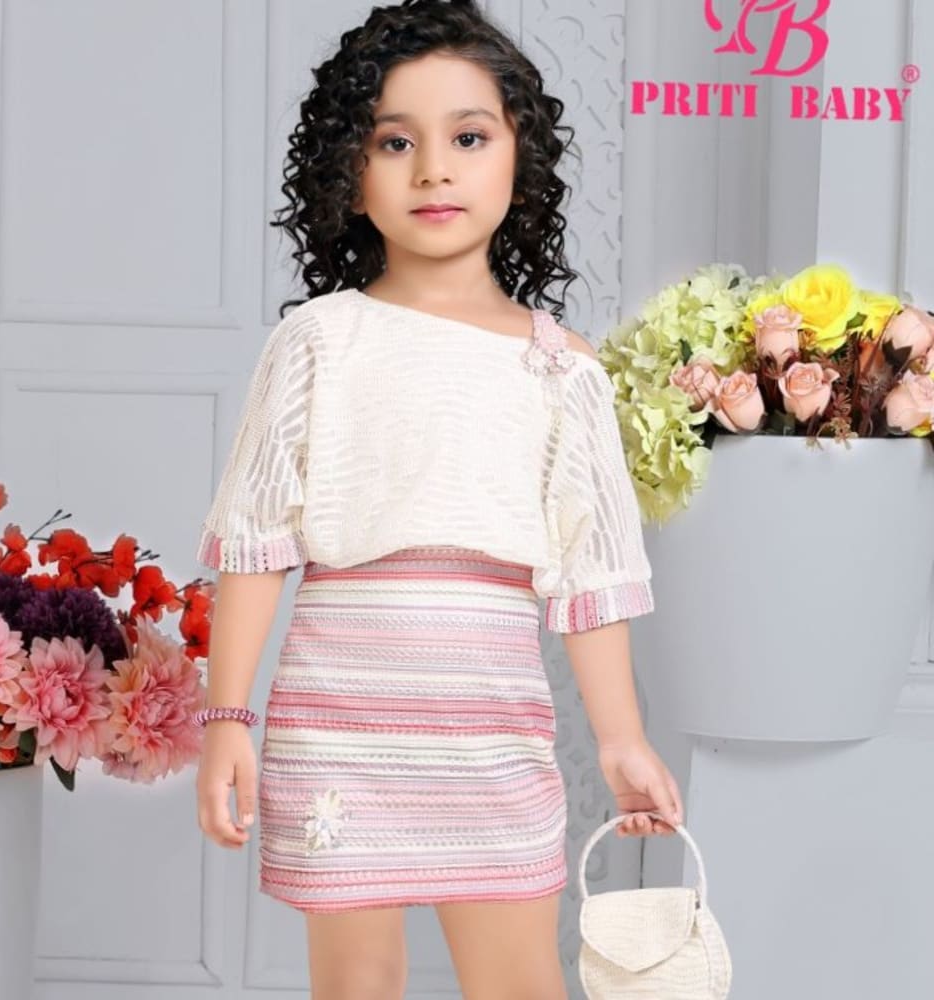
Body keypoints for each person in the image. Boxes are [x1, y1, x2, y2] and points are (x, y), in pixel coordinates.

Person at [193, 1, 684, 997]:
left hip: (490, 736)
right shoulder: (318, 343)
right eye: (394, 142)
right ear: (348, 170)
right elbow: (255, 543)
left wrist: (622, 738)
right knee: (355, 985)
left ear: (519, 160)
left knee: (518, 983)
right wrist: (227, 718)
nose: (433, 171)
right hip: (337, 728)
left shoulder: (563, 370)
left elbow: (588, 576)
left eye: (468, 137)